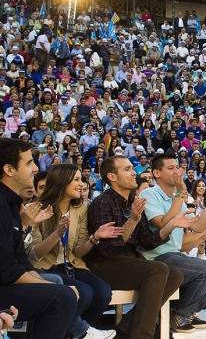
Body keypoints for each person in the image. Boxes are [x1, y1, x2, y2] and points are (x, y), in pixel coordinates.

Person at [86, 155, 188, 339]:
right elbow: (110, 248)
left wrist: (171, 225)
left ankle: (125, 329)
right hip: (104, 264)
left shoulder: (133, 201)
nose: (134, 173)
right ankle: (143, 335)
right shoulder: (102, 202)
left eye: (133, 168)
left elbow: (148, 240)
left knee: (176, 275)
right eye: (127, 169)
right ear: (112, 177)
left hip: (127, 260)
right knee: (158, 270)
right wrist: (132, 220)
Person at [138, 154, 206, 333]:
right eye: (171, 168)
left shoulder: (178, 197)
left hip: (174, 255)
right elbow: (163, 223)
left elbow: (198, 227)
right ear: (156, 173)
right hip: (155, 257)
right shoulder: (149, 193)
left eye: (178, 167)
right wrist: (180, 194)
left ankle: (187, 312)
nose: (177, 171)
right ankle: (180, 313)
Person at [27, 164, 116, 339]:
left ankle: (74, 334)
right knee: (84, 292)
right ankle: (72, 333)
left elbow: (78, 250)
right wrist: (56, 234)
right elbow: (33, 254)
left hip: (72, 264)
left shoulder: (80, 208)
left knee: (103, 292)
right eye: (76, 180)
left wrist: (94, 238)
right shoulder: (37, 209)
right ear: (61, 182)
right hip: (46, 266)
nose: (81, 184)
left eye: (81, 180)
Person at [0, 138, 78, 339]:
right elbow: (7, 268)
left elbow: (21, 260)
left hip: (7, 279)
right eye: (28, 163)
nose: (35, 168)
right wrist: (48, 286)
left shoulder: (11, 203)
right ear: (9, 169)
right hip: (4, 283)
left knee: (67, 289)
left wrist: (45, 283)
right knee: (63, 297)